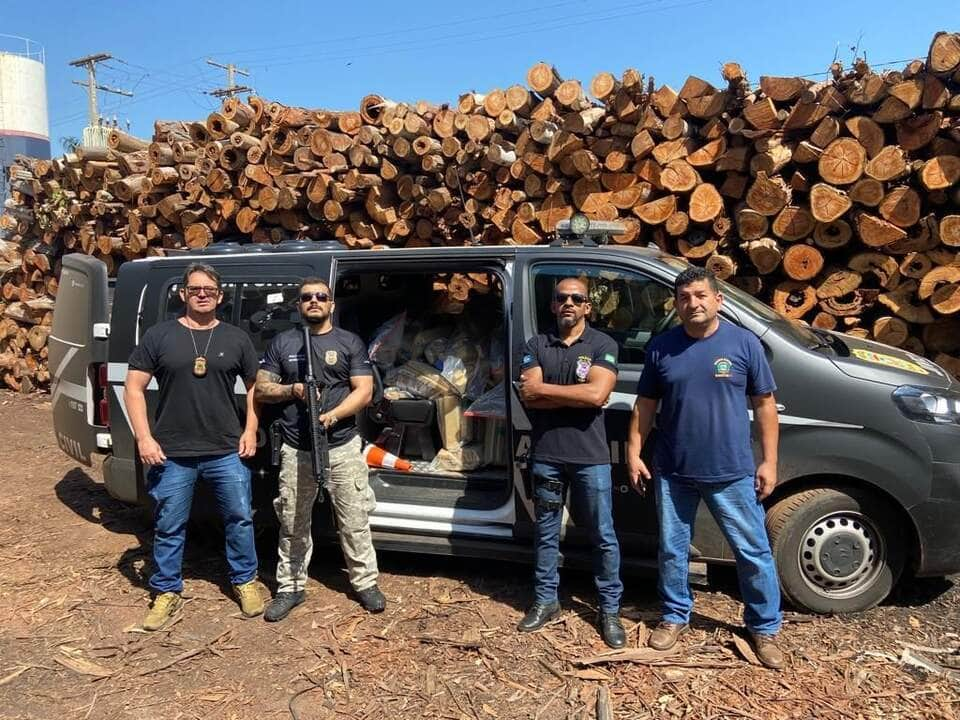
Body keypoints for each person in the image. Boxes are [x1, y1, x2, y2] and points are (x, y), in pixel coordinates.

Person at [626, 266, 785, 669]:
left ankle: (764, 628)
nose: (692, 303)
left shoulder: (743, 344)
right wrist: (633, 452)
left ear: (718, 300)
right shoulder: (663, 347)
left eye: (700, 295)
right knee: (673, 551)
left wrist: (769, 461)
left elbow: (765, 406)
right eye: (684, 298)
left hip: (730, 470)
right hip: (672, 470)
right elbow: (645, 405)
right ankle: (675, 616)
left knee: (753, 552)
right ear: (676, 304)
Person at [125, 262, 263, 631]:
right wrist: (144, 436)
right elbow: (133, 388)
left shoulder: (236, 338)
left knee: (239, 518)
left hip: (225, 450)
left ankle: (245, 581)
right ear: (183, 294)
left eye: (210, 290)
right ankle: (166, 591)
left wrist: (250, 429)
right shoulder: (159, 336)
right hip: (172, 452)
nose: (202, 294)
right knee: (169, 525)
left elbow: (255, 388)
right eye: (195, 288)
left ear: (220, 296)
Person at [255, 277, 385, 621]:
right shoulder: (283, 343)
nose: (314, 301)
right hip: (297, 448)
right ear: (299, 305)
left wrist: (332, 416)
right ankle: (291, 587)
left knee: (354, 519)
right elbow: (262, 389)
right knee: (293, 520)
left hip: (341, 445)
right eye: (306, 297)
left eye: (321, 297)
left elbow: (364, 391)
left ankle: (365, 583)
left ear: (331, 304)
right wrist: (293, 390)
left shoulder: (348, 342)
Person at [516, 277, 626, 649]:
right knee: (546, 534)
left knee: (603, 536)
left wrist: (547, 390)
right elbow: (528, 398)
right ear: (552, 306)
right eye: (561, 298)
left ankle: (609, 610)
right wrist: (575, 396)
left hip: (589, 459)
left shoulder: (602, 344)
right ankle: (546, 601)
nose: (568, 303)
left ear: (587, 307)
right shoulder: (536, 345)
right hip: (547, 456)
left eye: (576, 299)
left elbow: (596, 394)